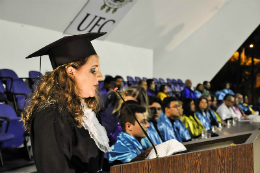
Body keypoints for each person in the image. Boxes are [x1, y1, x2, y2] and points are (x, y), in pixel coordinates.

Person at [22, 33, 111, 172]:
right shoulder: (50, 116)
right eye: (93, 70)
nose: (100, 76)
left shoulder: (86, 109)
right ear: (71, 71)